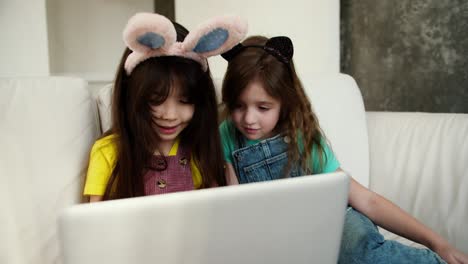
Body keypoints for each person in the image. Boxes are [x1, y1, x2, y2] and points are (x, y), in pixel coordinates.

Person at [219, 35, 468, 263]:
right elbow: (236, 211)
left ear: (285, 102)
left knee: (361, 254)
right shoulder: (227, 135)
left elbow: (366, 200)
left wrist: (438, 243)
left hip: (336, 222)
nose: (249, 119)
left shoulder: (301, 137)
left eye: (263, 108)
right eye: (239, 106)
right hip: (285, 240)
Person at [83, 12, 247, 202]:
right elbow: (93, 223)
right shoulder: (107, 152)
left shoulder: (198, 150)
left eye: (184, 101)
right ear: (131, 95)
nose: (170, 115)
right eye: (156, 99)